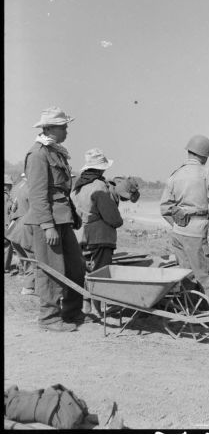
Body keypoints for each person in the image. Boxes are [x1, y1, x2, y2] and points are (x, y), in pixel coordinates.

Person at [24, 107, 86, 332]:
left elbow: (62, 191)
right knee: (51, 269)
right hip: (47, 221)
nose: (67, 130)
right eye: (63, 126)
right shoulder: (38, 154)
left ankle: (72, 312)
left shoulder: (56, 152)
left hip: (62, 219)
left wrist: (72, 215)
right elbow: (38, 195)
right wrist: (47, 225)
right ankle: (49, 318)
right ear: (49, 128)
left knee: (76, 267)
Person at [160, 135, 209, 310]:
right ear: (204, 155)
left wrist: (180, 222)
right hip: (199, 232)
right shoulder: (208, 174)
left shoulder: (175, 174)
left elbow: (165, 207)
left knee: (186, 272)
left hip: (178, 233)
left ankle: (190, 307)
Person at [71, 148, 123, 316]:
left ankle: (86, 306)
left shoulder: (77, 187)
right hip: (100, 237)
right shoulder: (100, 186)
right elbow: (112, 217)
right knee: (100, 273)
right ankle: (97, 309)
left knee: (87, 273)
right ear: (101, 168)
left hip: (81, 236)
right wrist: (118, 221)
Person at [6, 174, 36, 294]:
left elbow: (12, 208)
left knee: (24, 258)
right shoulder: (31, 187)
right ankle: (29, 286)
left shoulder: (17, 187)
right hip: (27, 224)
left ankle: (26, 282)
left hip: (15, 226)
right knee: (33, 258)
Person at [4, 174, 15, 273]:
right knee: (7, 246)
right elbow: (10, 211)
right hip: (6, 225)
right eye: (9, 185)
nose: (11, 187)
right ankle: (5, 267)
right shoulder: (7, 197)